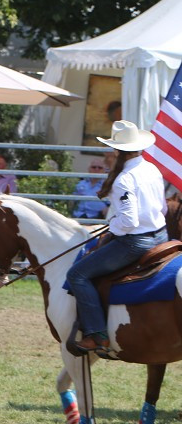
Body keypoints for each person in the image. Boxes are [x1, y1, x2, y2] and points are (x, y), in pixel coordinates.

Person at [67, 120, 167, 354]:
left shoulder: (124, 179)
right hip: (162, 237)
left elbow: (129, 222)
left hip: (136, 241)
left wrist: (114, 226)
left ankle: (97, 334)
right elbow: (161, 208)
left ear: (116, 150)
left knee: (78, 274)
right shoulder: (152, 169)